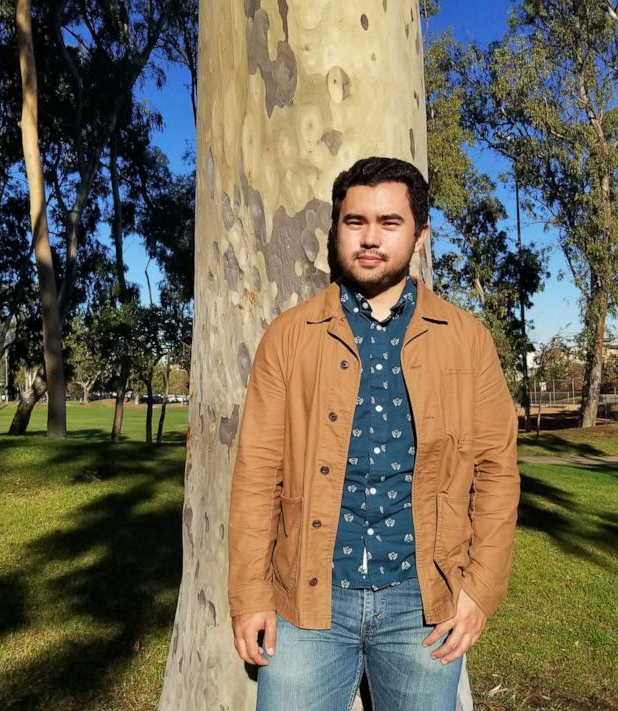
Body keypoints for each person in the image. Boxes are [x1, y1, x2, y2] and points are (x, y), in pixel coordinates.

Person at [228, 156, 520, 711]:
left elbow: (497, 470)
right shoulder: (289, 338)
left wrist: (481, 590)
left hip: (423, 601)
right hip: (306, 598)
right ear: (336, 229)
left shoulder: (466, 339)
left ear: (420, 235)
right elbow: (257, 472)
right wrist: (248, 594)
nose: (370, 239)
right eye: (355, 221)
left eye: (389, 223)